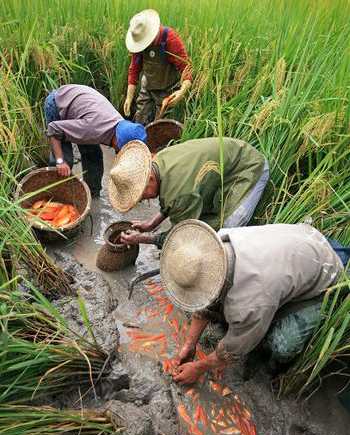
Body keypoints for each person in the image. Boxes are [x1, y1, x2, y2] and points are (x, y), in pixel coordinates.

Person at [159, 220, 346, 385]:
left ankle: (274, 370)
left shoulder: (251, 302)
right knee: (247, 311)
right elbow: (205, 300)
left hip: (326, 272)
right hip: (297, 245)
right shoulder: (216, 245)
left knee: (282, 345)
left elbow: (232, 350)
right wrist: (189, 344)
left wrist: (198, 368)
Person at [108, 138, 269, 247]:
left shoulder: (180, 191)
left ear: (149, 178)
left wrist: (143, 239)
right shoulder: (158, 160)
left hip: (249, 169)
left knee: (223, 233)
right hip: (230, 162)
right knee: (202, 219)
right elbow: (172, 199)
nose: (142, 200)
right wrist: (152, 223)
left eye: (140, 195)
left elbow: (182, 235)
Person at [44, 84, 147, 197]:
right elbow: (53, 129)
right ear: (117, 141)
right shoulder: (92, 129)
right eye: (122, 148)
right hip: (57, 103)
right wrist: (60, 161)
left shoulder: (122, 126)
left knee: (93, 155)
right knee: (65, 160)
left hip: (82, 105)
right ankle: (55, 195)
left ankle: (92, 193)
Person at [123, 9, 192, 125]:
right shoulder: (139, 43)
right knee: (140, 118)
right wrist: (129, 98)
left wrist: (181, 91)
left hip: (167, 89)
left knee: (161, 126)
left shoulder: (169, 39)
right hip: (147, 85)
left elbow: (186, 68)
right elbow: (134, 70)